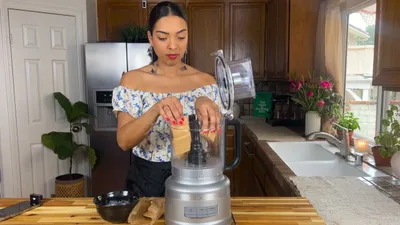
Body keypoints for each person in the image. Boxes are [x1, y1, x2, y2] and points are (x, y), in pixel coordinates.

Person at [111, 1, 223, 198]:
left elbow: (213, 143)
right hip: (147, 179)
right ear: (151, 38)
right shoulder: (132, 80)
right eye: (163, 37)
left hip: (195, 176)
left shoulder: (206, 82)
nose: (173, 45)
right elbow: (124, 141)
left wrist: (201, 102)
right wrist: (155, 110)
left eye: (181, 36)